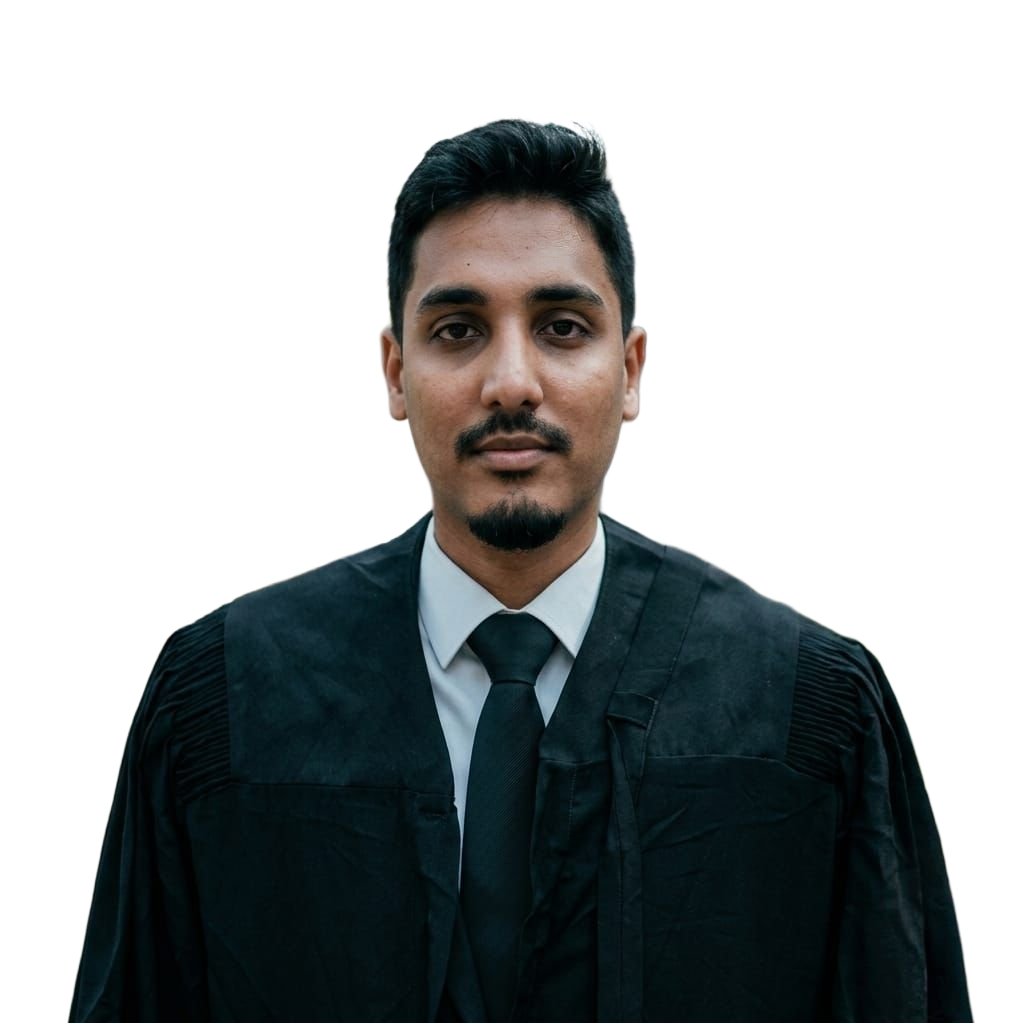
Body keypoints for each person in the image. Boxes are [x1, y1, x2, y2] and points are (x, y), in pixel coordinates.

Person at [70, 119, 971, 1022]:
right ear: (396, 372)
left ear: (629, 369)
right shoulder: (230, 703)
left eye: (562, 328)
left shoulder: (801, 714)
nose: (511, 381)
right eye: (458, 329)